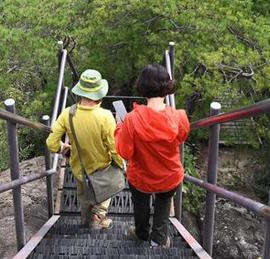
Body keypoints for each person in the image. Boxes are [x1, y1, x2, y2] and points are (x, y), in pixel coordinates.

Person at [115, 64, 190, 247]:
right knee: (164, 204)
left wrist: (119, 127)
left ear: (142, 86)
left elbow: (125, 152)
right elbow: (181, 137)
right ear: (167, 87)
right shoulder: (179, 117)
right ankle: (159, 239)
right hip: (169, 175)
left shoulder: (132, 119)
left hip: (142, 177)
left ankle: (141, 234)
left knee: (141, 206)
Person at [46, 68, 124, 230]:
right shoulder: (106, 116)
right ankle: (98, 216)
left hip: (80, 168)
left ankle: (86, 221)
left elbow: (52, 143)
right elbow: (113, 147)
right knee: (106, 191)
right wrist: (121, 164)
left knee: (84, 197)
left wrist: (64, 148)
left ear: (80, 91)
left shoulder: (67, 114)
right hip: (102, 167)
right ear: (99, 94)